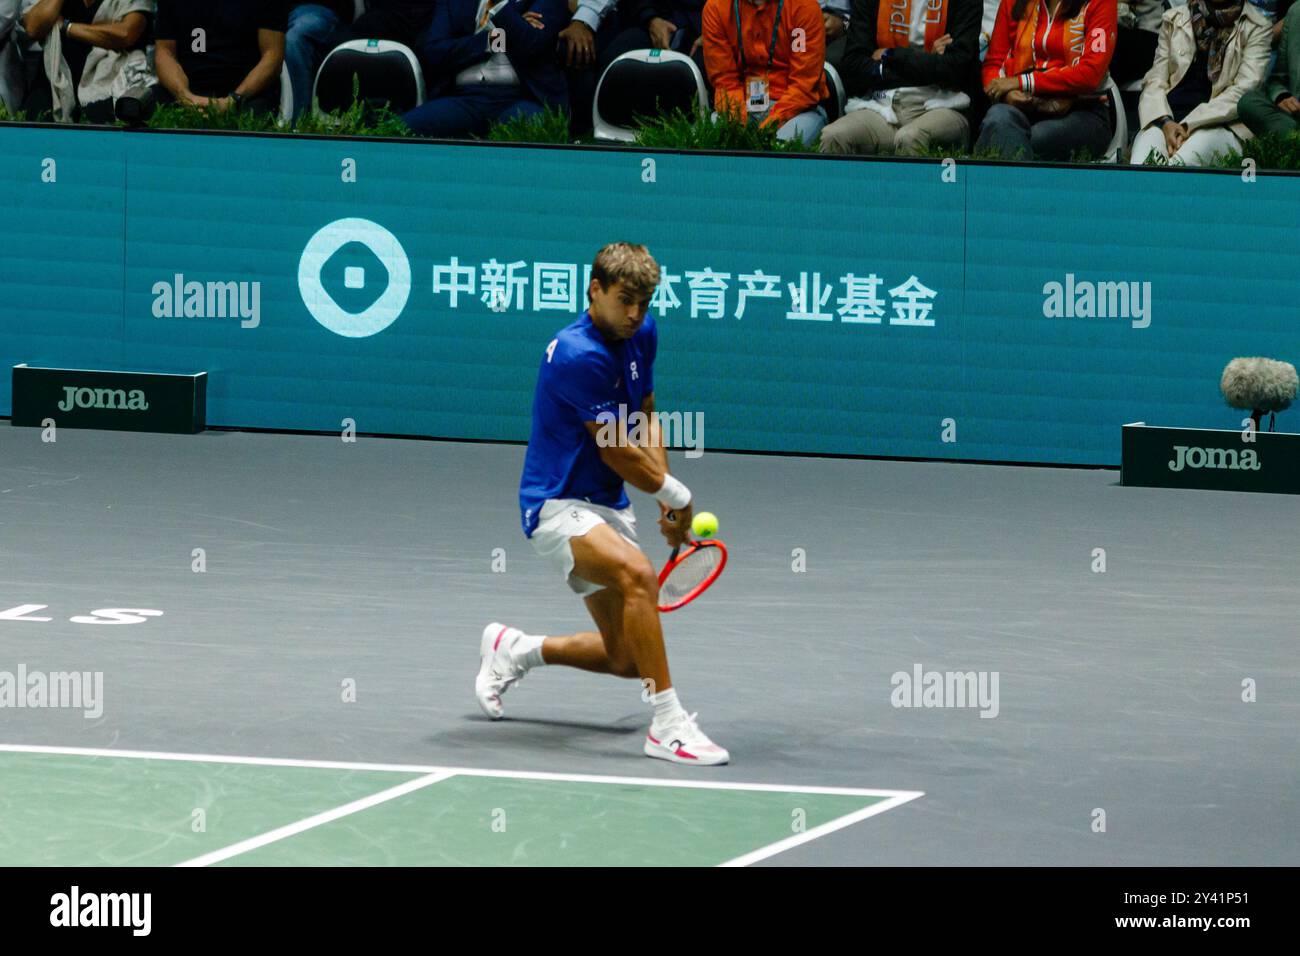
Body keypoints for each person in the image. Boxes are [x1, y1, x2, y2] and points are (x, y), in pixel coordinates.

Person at [479, 242, 730, 766]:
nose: (636, 314)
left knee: (623, 657)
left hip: (607, 506)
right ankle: (667, 725)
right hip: (555, 504)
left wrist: (663, 489)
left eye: (644, 301)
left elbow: (645, 413)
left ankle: (516, 650)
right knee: (640, 575)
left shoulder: (642, 333)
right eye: (625, 301)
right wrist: (675, 495)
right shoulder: (578, 354)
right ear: (594, 291)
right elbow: (614, 447)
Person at [821, 0, 982, 155]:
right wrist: (927, 61)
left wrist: (892, 55)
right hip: (882, 106)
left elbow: (956, 69)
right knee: (834, 136)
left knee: (910, 137)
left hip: (943, 105)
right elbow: (854, 66)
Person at [1131, 0, 1270, 165]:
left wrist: (1186, 126)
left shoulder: (1258, 26)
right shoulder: (1175, 18)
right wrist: (1166, 121)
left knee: (1181, 164)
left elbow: (1244, 92)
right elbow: (1154, 80)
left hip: (1220, 124)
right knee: (1141, 165)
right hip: (1167, 121)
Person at [402, 0, 569, 137]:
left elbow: (532, 45)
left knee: (531, 133)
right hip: (465, 98)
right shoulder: (453, 3)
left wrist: (501, 5)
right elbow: (434, 52)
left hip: (520, 97)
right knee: (400, 131)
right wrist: (494, 38)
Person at [975, 0, 1118, 160]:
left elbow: (1090, 74)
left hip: (1084, 110)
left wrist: (1022, 82)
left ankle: (1014, 183)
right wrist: (1006, 96)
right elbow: (994, 63)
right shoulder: (1012, 3)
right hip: (1023, 106)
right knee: (998, 119)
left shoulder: (1100, 2)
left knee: (1036, 138)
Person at [122, 0, 287, 121]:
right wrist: (185, 96)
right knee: (133, 109)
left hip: (246, 93)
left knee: (251, 124)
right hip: (186, 89)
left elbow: (272, 57)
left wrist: (234, 100)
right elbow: (165, 53)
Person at [701, 0, 829, 142]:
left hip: (797, 110)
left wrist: (767, 129)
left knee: (778, 153)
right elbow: (725, 82)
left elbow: (804, 87)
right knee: (707, 142)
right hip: (740, 104)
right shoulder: (716, 8)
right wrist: (737, 129)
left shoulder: (804, 7)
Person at [20, 0, 152, 121]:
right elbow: (33, 28)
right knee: (31, 124)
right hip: (56, 78)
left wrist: (66, 27)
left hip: (108, 83)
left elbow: (125, 34)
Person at [1239, 0, 1300, 136]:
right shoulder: (1296, 12)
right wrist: (1282, 96)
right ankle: (1294, 139)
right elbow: (1277, 79)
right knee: (1248, 102)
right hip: (1295, 116)